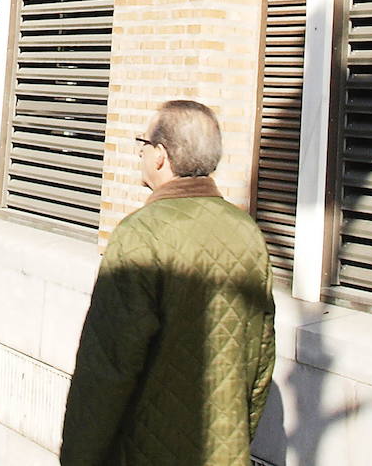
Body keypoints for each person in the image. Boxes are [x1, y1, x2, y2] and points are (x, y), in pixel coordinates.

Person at [59, 99, 276, 466]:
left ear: (160, 155)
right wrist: (235, 437)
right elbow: (261, 360)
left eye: (142, 144)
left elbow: (107, 366)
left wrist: (78, 457)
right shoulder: (247, 234)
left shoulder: (141, 233)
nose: (140, 154)